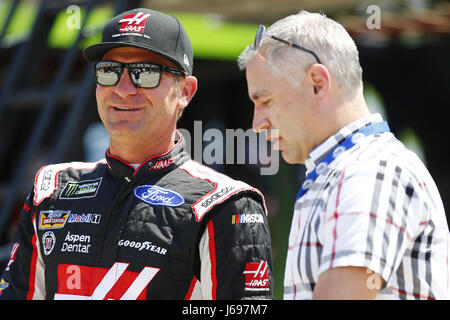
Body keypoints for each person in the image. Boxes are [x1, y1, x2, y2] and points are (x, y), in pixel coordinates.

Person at [0, 8, 273, 300]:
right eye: (109, 71)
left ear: (185, 92)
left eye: (145, 73)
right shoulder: (51, 188)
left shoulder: (225, 204)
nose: (123, 88)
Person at [238, 11, 449, 300]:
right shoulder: (347, 169)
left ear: (317, 83)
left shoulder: (369, 170)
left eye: (265, 101)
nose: (257, 123)